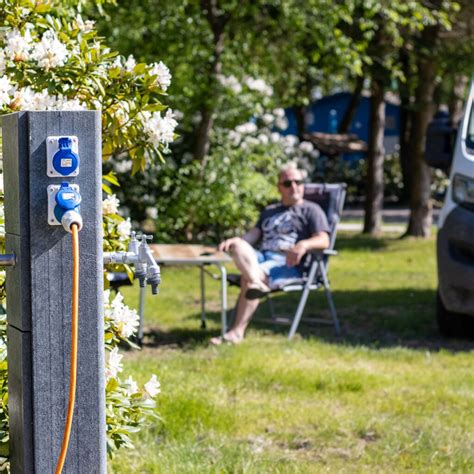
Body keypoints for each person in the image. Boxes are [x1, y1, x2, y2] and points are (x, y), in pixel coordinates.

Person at [210, 164, 330, 345]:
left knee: (248, 279)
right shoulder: (270, 210)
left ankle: (236, 332)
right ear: (279, 187)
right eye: (288, 183)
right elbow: (253, 235)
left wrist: (303, 244)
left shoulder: (311, 210)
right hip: (261, 257)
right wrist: (237, 241)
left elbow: (324, 239)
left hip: (287, 262)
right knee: (239, 245)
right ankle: (257, 283)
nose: (294, 187)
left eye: (298, 182)